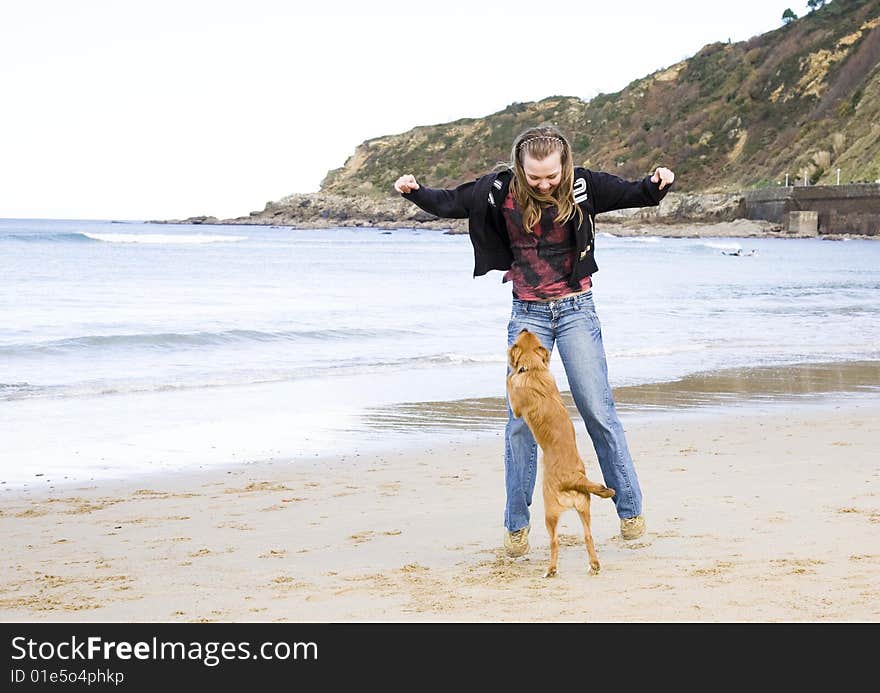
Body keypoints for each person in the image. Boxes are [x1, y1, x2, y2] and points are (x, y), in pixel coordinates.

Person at [394, 124, 675, 557]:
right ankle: (516, 526)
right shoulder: (498, 189)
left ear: (564, 163)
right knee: (521, 425)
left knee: (598, 411)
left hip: (577, 309)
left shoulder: (584, 185)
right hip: (527, 315)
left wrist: (656, 183)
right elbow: (451, 202)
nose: (544, 184)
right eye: (535, 176)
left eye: (551, 176)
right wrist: (416, 191)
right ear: (520, 165)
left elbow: (633, 192)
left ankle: (631, 510)